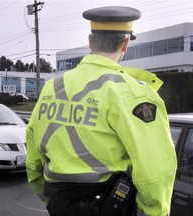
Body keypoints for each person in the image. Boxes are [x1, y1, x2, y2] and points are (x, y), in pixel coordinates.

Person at [26, 6, 177, 216]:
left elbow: (33, 157)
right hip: (109, 205)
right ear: (125, 44)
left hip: (59, 204)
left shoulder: (52, 87)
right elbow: (155, 170)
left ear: (90, 41)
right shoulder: (133, 93)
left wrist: (49, 199)